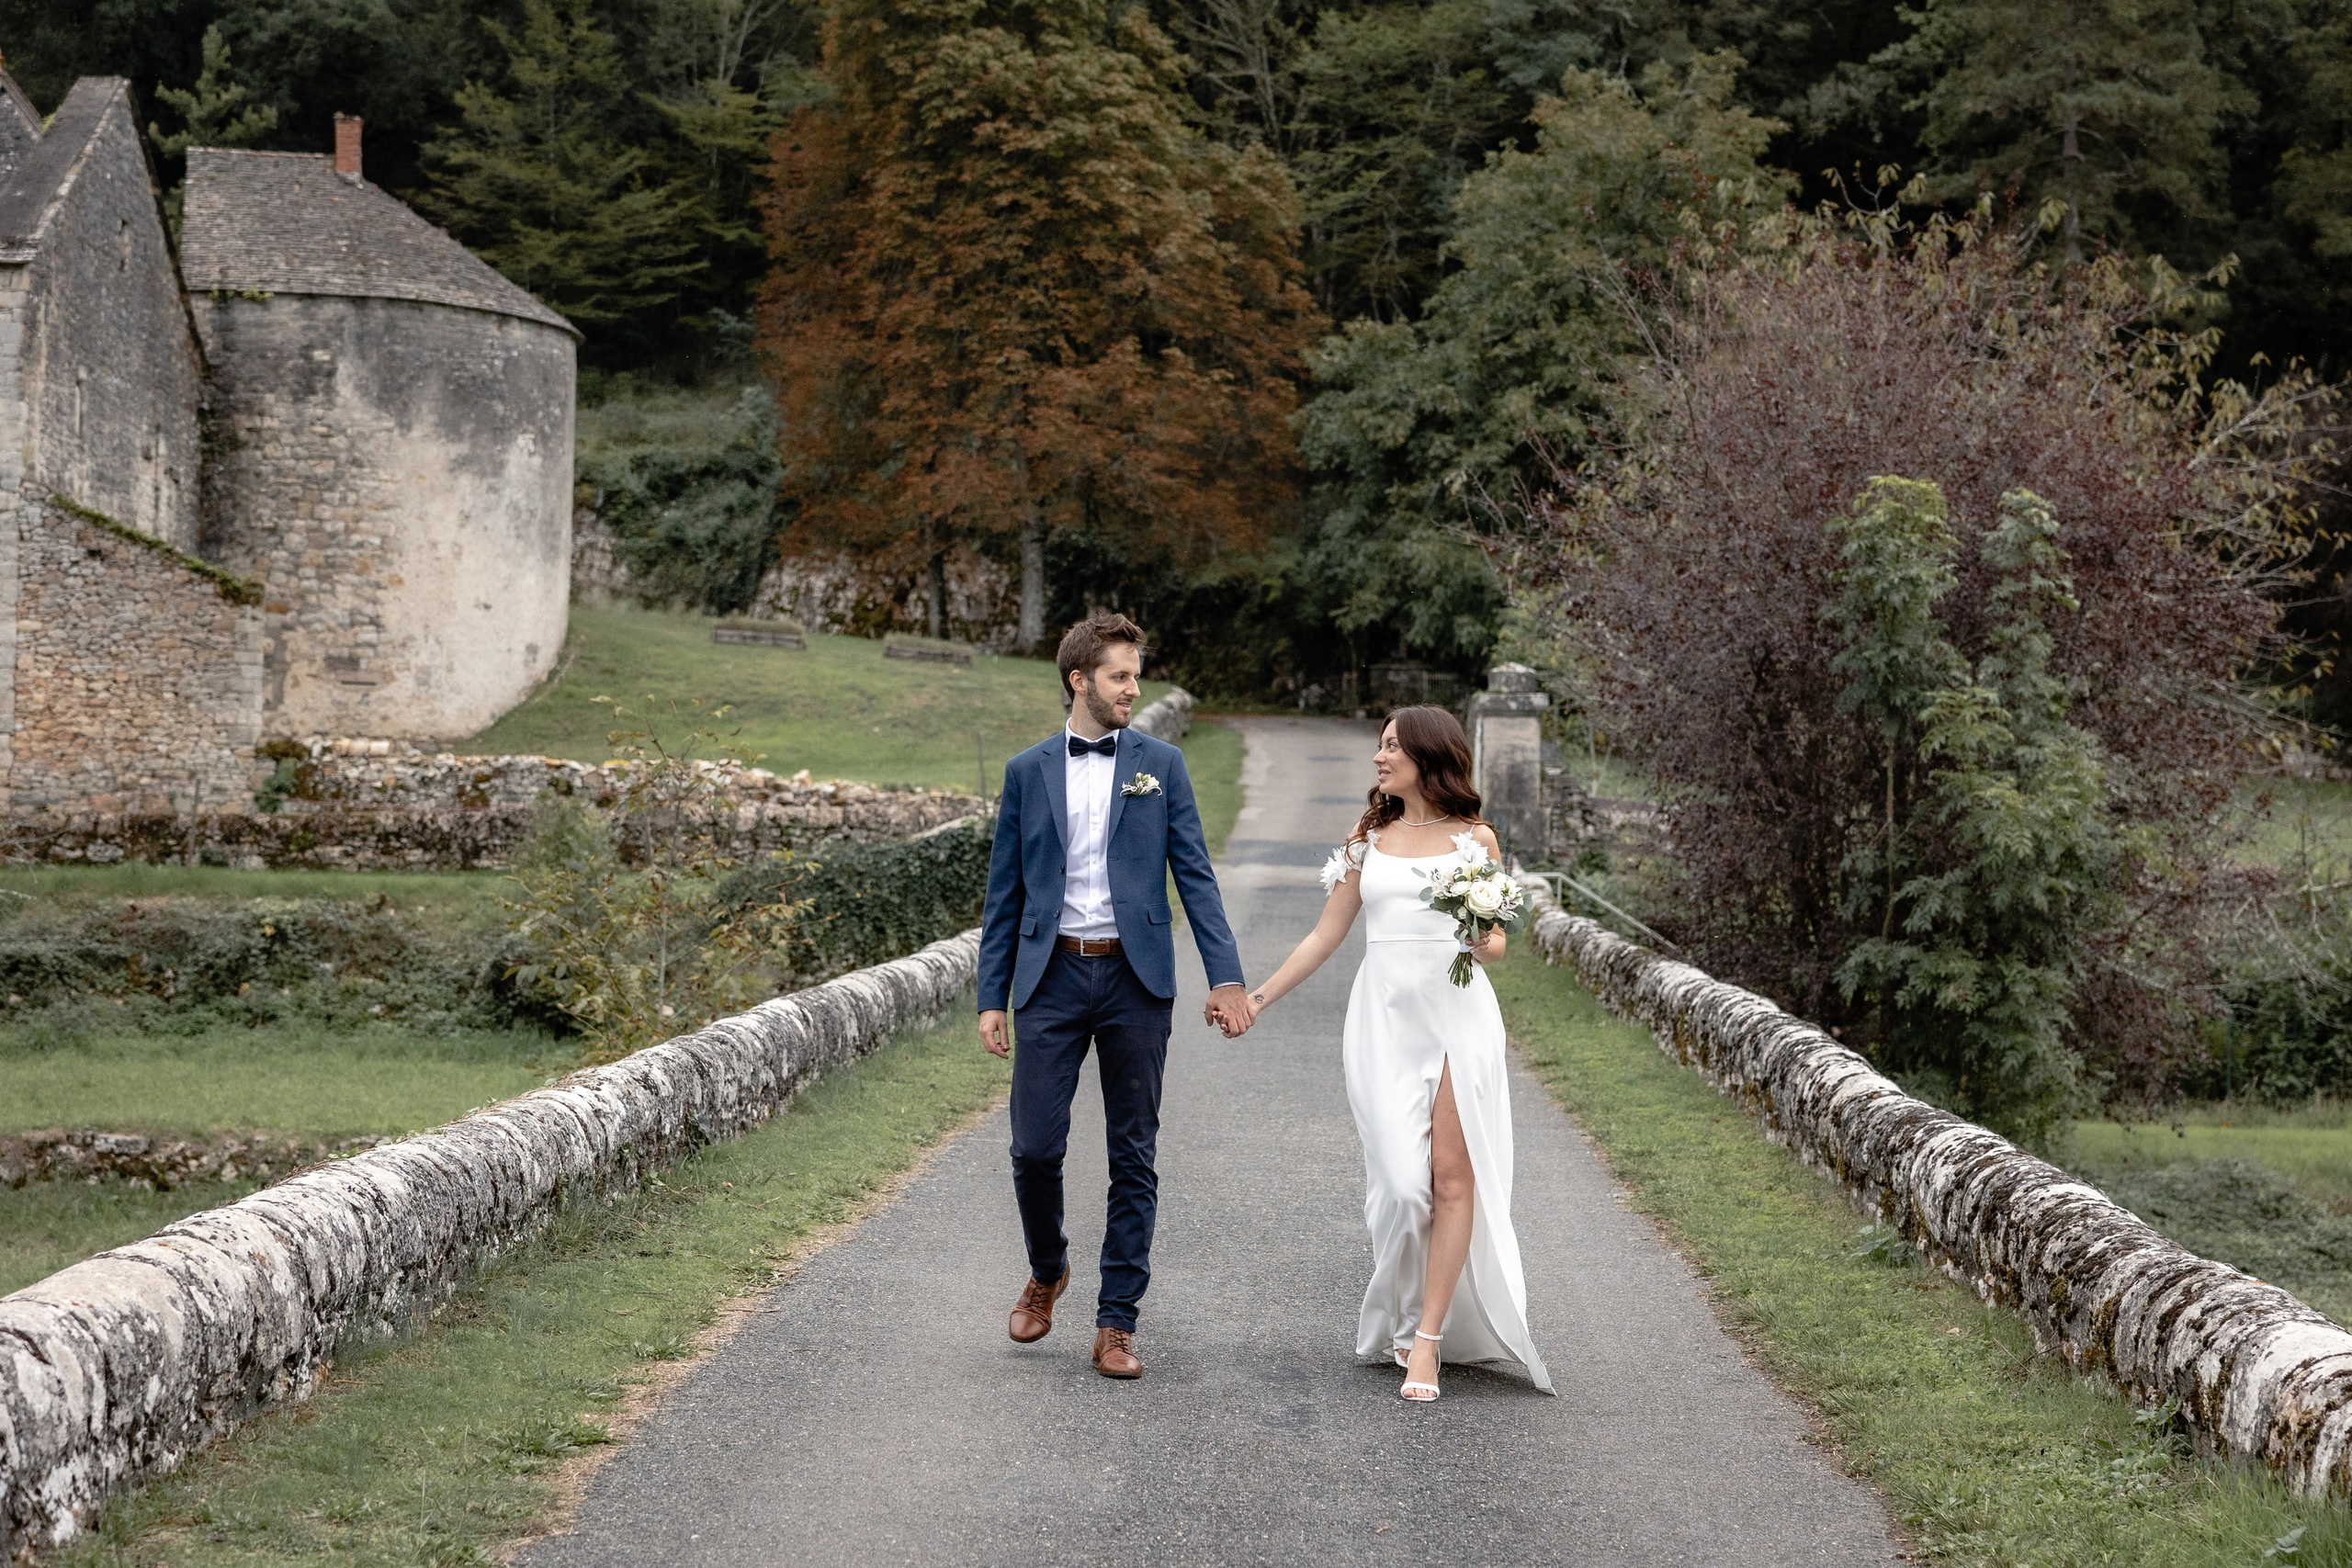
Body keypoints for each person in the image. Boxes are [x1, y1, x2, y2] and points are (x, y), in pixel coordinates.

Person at [1233, 705, 1554, 1401]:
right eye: (1379, 745)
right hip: (1382, 1023)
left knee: (1450, 1181)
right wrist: (1259, 998)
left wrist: (1479, 940)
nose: (1379, 757)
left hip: (1458, 1018)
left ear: (1427, 755)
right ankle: (1406, 1314)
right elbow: (1324, 936)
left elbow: (1496, 940)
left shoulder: (1477, 839)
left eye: (1391, 746)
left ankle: (1427, 1341)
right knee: (1403, 1190)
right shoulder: (1368, 838)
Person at [977, 612, 1254, 1380]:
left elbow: (1195, 875)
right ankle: (1049, 1266)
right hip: (1049, 977)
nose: (1134, 688)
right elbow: (1004, 894)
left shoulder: (1161, 764)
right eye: (1120, 676)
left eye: (1136, 675)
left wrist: (1225, 976)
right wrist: (990, 994)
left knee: (1133, 1152)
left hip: (1137, 979)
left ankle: (1116, 1321)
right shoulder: (1026, 771)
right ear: (1079, 680)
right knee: (1035, 1148)